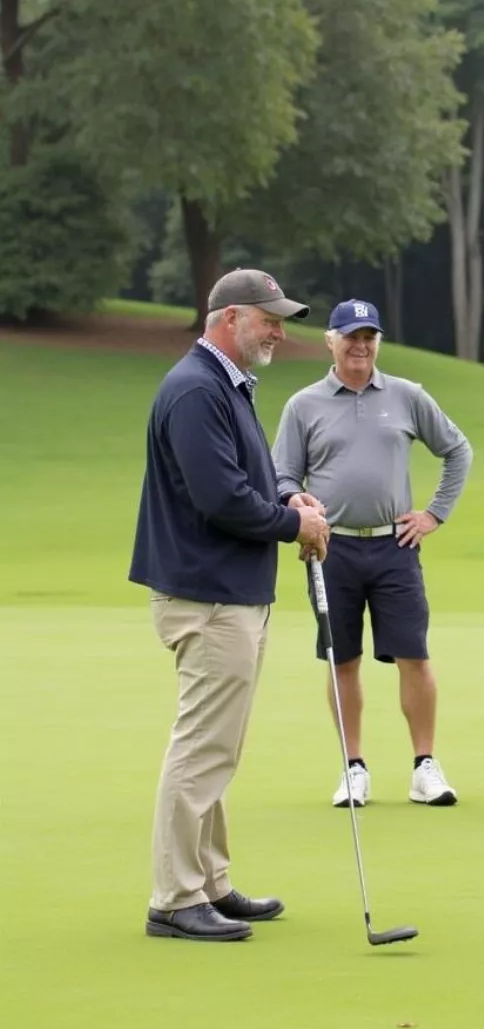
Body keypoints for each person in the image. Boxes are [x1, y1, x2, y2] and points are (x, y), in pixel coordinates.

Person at [130, 268, 330, 942]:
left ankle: (209, 881)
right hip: (207, 594)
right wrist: (291, 524)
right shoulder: (196, 391)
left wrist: (286, 500)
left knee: (220, 747)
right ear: (230, 319)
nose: (280, 330)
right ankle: (175, 897)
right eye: (269, 318)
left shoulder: (226, 386)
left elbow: (245, 484)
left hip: (229, 592)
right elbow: (219, 498)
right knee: (201, 748)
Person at [273, 299, 473, 809]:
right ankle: (354, 767)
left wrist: (433, 515)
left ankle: (424, 766)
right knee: (343, 660)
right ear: (330, 341)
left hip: (395, 545)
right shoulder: (304, 404)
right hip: (330, 547)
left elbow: (456, 450)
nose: (360, 346)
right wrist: (297, 505)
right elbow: (282, 475)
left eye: (369, 337)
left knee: (414, 656)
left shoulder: (406, 396)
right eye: (351, 337)